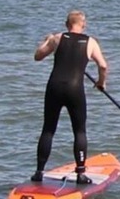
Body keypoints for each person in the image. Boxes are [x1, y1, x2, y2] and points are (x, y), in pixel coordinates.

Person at [31, 10, 108, 184]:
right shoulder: (91, 42)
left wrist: (46, 41)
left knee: (48, 130)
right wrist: (101, 82)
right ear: (84, 24)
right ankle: (80, 173)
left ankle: (39, 171)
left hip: (54, 88)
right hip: (75, 90)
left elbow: (38, 56)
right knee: (79, 131)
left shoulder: (57, 38)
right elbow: (103, 66)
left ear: (67, 24)